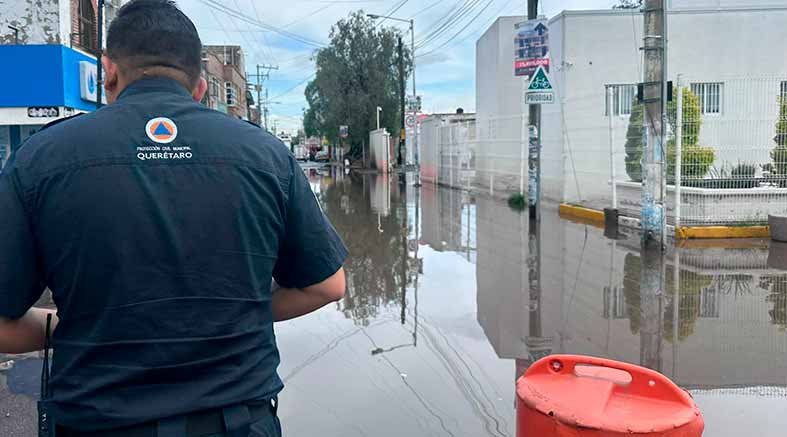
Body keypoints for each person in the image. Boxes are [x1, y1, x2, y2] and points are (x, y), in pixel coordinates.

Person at [0, 1, 347, 435]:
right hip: (237, 423)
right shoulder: (265, 155)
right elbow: (327, 285)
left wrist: (70, 327)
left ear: (108, 71)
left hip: (97, 422)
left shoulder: (40, 159)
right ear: (200, 87)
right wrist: (240, 314)